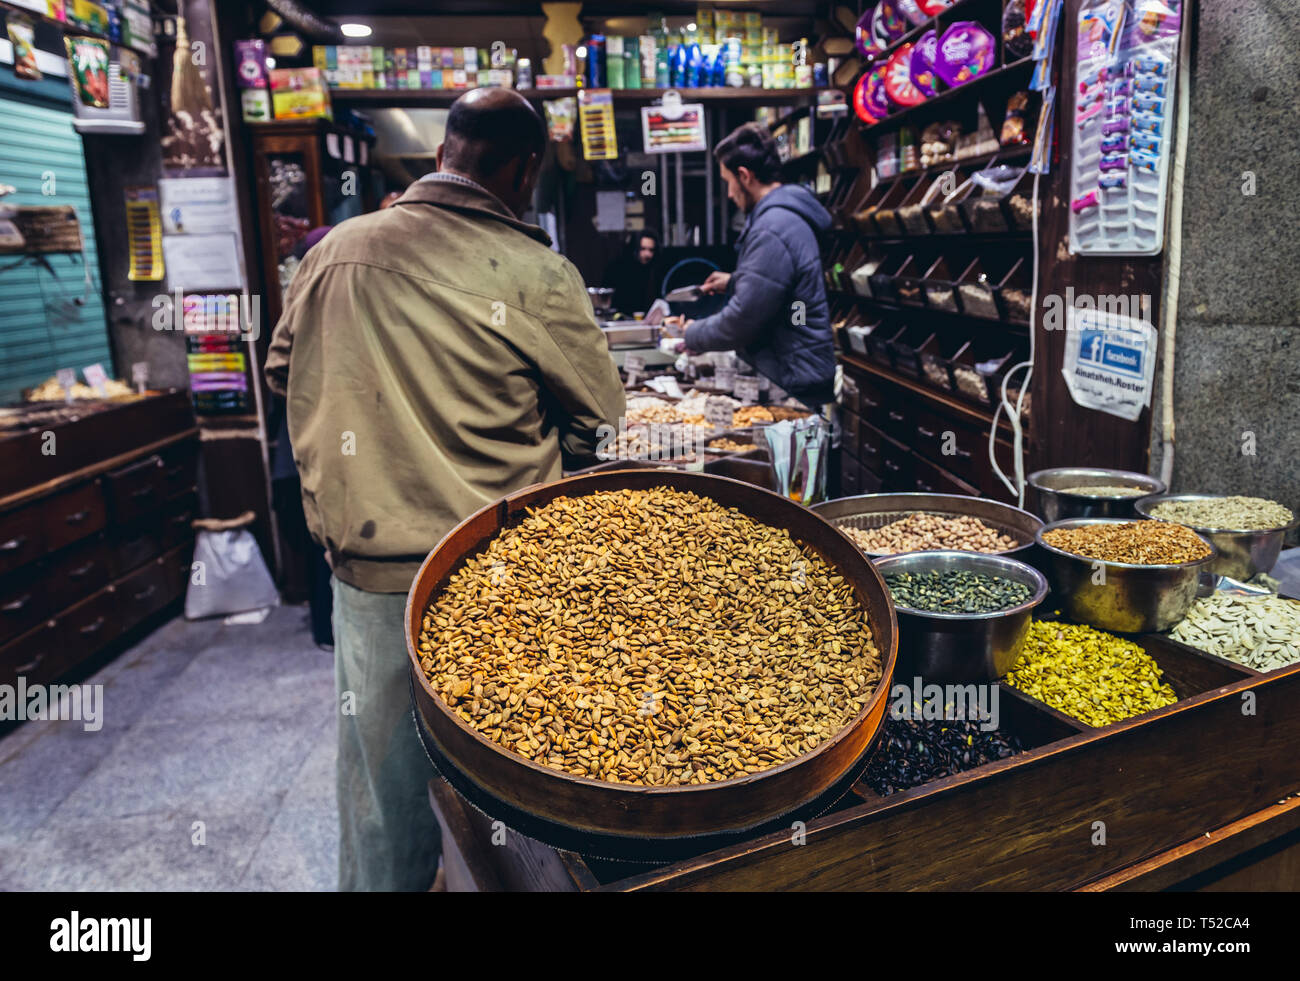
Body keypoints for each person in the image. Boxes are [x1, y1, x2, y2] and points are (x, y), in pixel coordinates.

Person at [265, 87, 626, 892]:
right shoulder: (537, 273)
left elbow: (284, 373)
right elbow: (601, 423)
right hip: (503, 574)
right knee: (513, 803)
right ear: (525, 170)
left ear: (440, 157)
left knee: (382, 811)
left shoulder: (336, 251)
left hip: (373, 580)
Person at [671, 122, 836, 406]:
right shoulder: (781, 218)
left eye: (728, 182)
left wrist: (692, 334)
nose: (730, 194)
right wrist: (736, 282)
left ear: (744, 176)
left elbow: (742, 320)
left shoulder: (773, 227)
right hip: (793, 371)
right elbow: (778, 286)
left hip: (793, 380)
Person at [603, 228, 660, 315]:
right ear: (635, 248)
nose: (647, 254)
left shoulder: (653, 269)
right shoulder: (618, 268)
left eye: (651, 250)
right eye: (643, 249)